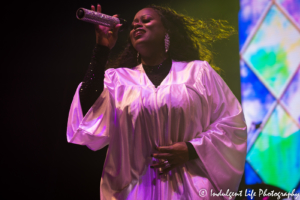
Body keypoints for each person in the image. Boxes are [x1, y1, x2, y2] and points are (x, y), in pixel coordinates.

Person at [67, 4, 247, 200]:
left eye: (145, 20)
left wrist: (191, 149)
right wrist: (102, 48)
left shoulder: (198, 73)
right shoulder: (117, 80)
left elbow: (232, 125)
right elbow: (86, 111)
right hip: (133, 190)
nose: (137, 26)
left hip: (190, 190)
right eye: (134, 24)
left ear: (165, 31)